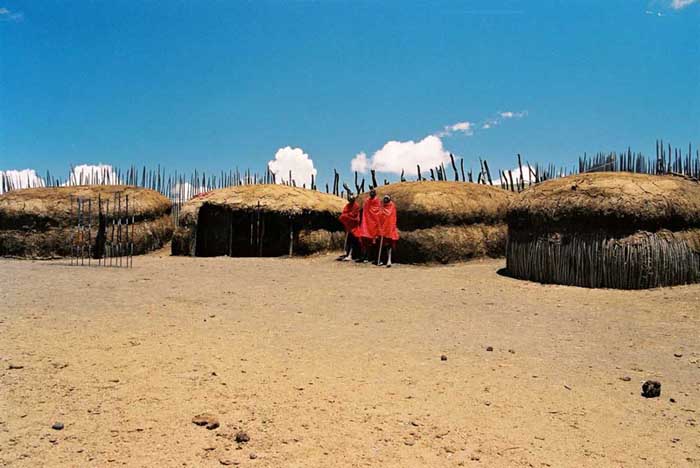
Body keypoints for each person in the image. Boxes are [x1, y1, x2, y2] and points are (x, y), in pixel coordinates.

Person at [358, 188, 381, 262]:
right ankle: (364, 256)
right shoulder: (367, 201)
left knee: (372, 242)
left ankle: (369, 257)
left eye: (373, 192)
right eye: (371, 192)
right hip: (366, 223)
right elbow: (365, 210)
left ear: (375, 193)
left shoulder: (377, 201)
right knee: (364, 241)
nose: (371, 193)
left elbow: (377, 211)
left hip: (373, 224)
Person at [377, 195, 399, 267]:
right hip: (382, 229)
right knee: (382, 245)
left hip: (389, 229)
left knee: (389, 245)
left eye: (387, 198)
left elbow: (391, 216)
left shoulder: (392, 206)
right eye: (384, 198)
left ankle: (389, 260)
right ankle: (382, 260)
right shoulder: (382, 207)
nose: (385, 200)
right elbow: (379, 215)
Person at [338, 194, 361, 261]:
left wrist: (348, 216)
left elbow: (354, 215)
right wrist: (347, 216)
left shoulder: (356, 206)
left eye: (351, 200)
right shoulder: (347, 206)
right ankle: (348, 254)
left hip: (354, 226)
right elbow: (344, 213)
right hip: (348, 226)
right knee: (349, 240)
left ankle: (350, 254)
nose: (350, 201)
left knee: (353, 240)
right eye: (350, 200)